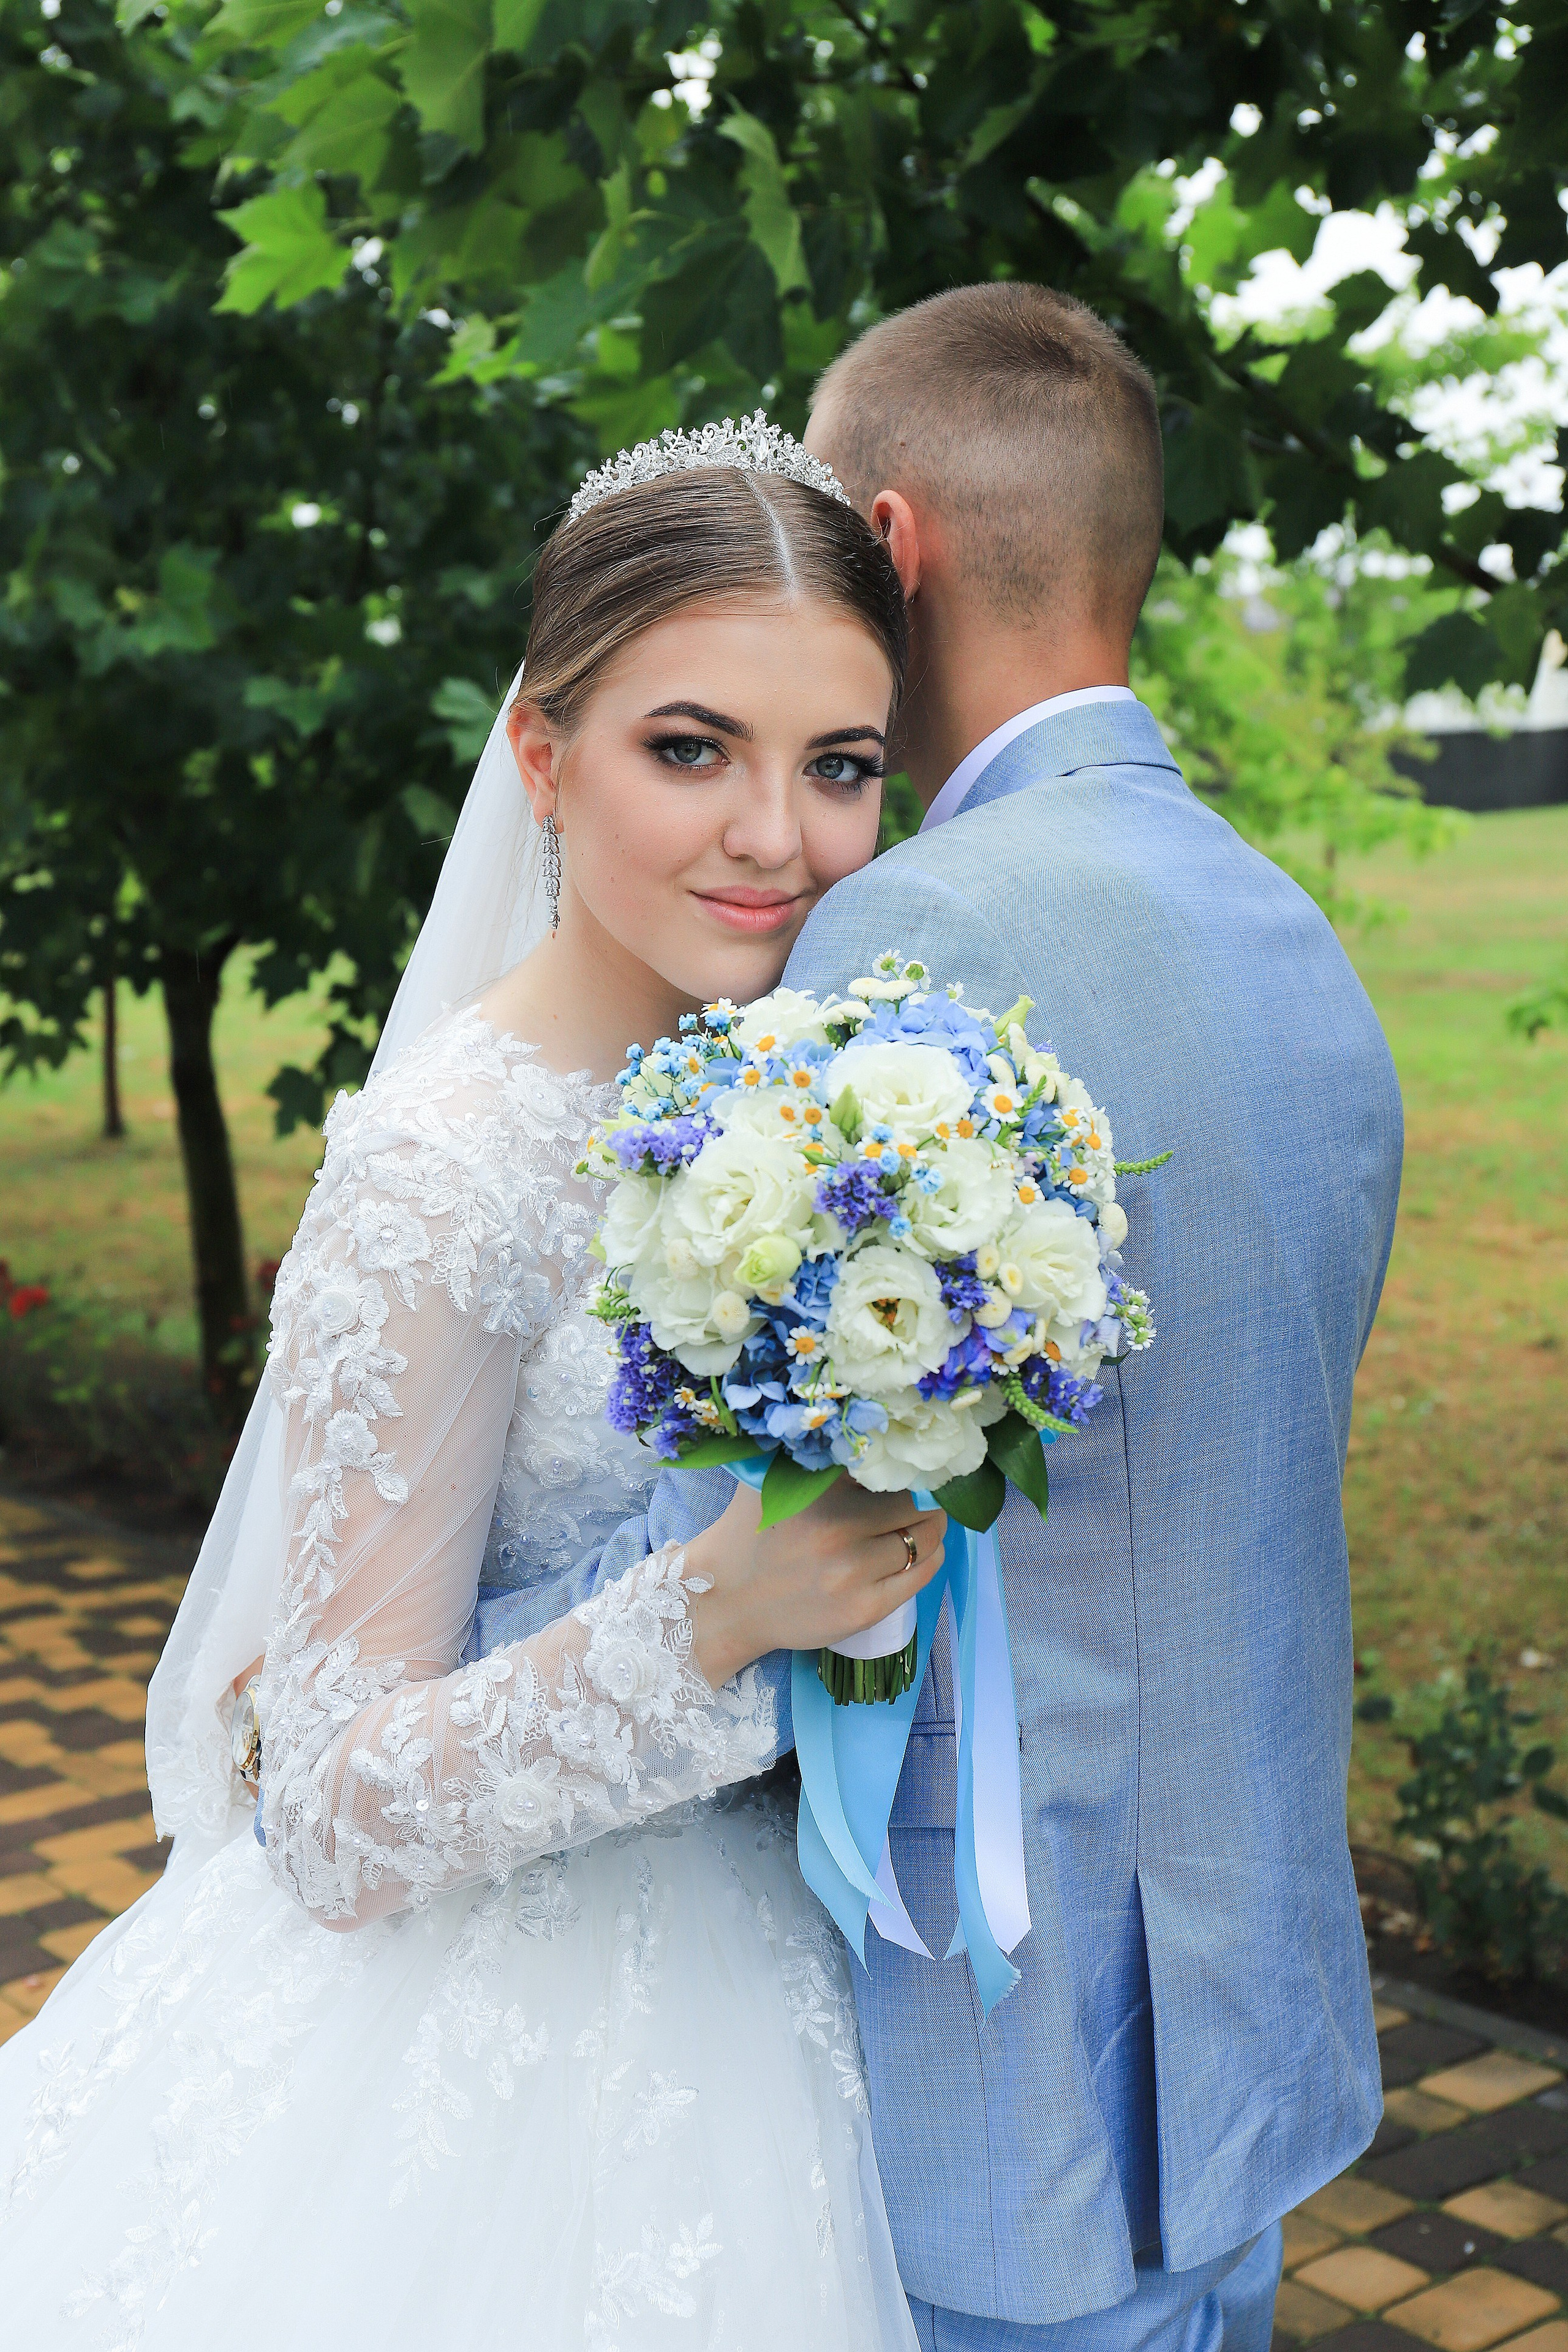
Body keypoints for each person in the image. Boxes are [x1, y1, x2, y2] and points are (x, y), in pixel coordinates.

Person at [477, 285, 1404, 2350]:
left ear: (883, 551)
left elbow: (733, 1516)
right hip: (1238, 2042)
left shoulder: (902, 930)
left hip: (992, 2068)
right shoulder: (1288, 926)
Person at [0, 427, 946, 2349]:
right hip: (492, 2053)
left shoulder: (833, 1101)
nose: (778, 835)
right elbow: (333, 1809)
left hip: (777, 1974)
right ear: (542, 756)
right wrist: (721, 1613)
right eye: (692, 750)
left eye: (837, 766)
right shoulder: (449, 1170)